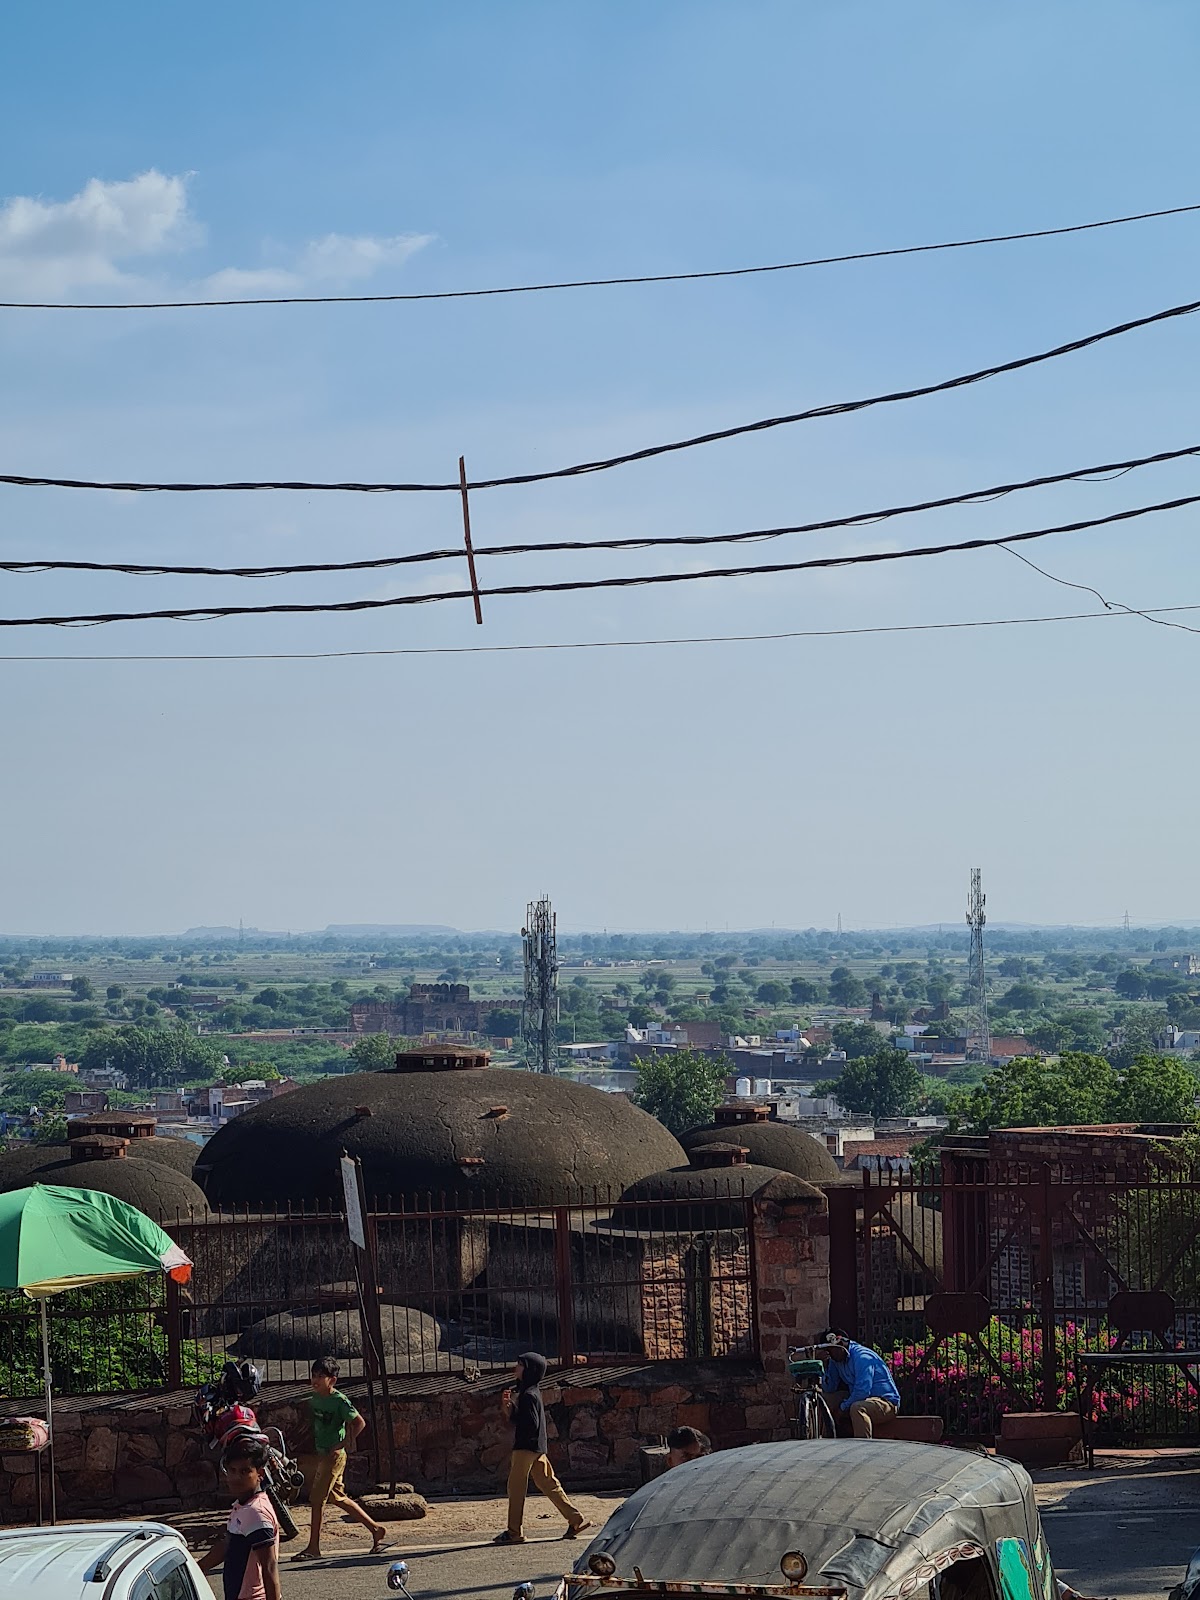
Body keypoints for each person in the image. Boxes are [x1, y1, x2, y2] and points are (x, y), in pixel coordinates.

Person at [293, 1355, 390, 1562]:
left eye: (321, 1376)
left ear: (333, 1380)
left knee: (317, 1500)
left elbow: (359, 1423)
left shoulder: (340, 1401)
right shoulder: (315, 1397)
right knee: (338, 1497)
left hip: (334, 1456)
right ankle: (375, 1529)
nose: (315, 1380)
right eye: (314, 1375)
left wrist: (343, 1444)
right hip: (322, 1453)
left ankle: (313, 1548)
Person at [493, 1351, 590, 1546]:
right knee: (548, 1484)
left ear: (529, 1370)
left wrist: (513, 1409)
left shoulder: (528, 1395)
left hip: (525, 1447)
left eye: (520, 1365)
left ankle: (514, 1532)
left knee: (516, 1488)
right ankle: (576, 1520)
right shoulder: (532, 1392)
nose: (516, 1368)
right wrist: (509, 1407)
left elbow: (529, 1423)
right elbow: (524, 1421)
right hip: (536, 1446)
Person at [198, 1436, 282, 1600]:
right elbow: (226, 1546)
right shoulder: (244, 1506)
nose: (235, 1478)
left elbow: (269, 1567)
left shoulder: (255, 1512)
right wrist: (195, 1568)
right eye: (232, 1470)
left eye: (244, 1471)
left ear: (260, 1474)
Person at [816, 1327, 900, 1438]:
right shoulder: (835, 1360)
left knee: (858, 1408)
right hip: (857, 1397)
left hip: (885, 1402)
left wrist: (842, 1408)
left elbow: (862, 1392)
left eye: (831, 1351)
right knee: (822, 1400)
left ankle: (863, 1448)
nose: (830, 1355)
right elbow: (830, 1388)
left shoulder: (862, 1357)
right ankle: (822, 1440)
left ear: (840, 1344)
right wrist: (822, 1367)